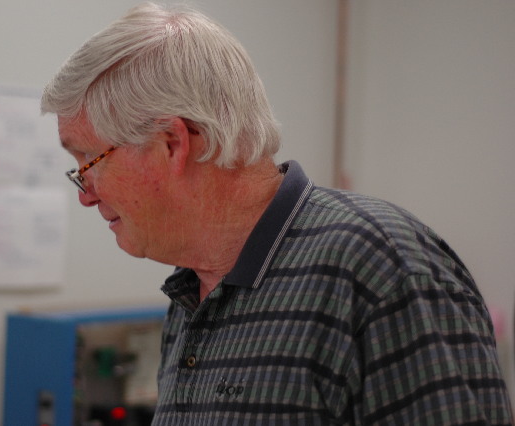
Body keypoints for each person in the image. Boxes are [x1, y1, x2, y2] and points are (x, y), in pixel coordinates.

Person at [41, 2, 513, 424]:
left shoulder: (383, 271)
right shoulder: (190, 296)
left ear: (172, 143)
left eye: (89, 160)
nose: (86, 193)